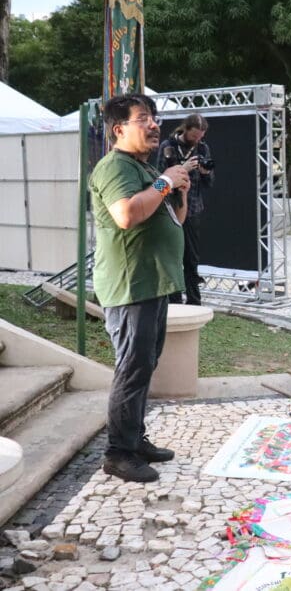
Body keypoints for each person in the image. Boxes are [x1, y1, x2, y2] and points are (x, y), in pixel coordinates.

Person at [91, 93, 189, 482]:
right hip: (132, 285)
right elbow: (127, 214)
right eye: (143, 118)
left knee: (144, 366)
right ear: (119, 129)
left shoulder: (142, 168)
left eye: (154, 117)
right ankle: (118, 453)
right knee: (132, 369)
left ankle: (135, 439)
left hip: (152, 283)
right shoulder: (114, 166)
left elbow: (173, 218)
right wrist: (166, 180)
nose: (154, 125)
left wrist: (176, 189)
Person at [157, 113, 213, 305]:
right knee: (173, 256)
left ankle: (194, 302)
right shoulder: (168, 146)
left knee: (191, 258)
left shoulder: (203, 148)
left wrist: (206, 173)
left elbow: (210, 183)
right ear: (185, 129)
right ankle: (173, 301)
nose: (198, 140)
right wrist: (184, 168)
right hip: (171, 210)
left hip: (193, 210)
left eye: (201, 137)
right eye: (194, 136)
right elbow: (159, 180)